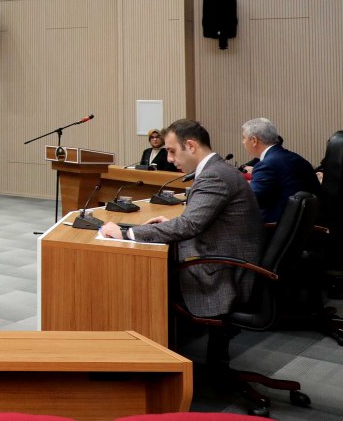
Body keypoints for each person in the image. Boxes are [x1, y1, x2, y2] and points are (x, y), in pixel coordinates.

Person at [99, 119, 262, 356]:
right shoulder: (218, 170)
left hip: (224, 271)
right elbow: (198, 221)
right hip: (228, 256)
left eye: (173, 152)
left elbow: (189, 225)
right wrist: (172, 224)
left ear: (191, 146)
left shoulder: (214, 175)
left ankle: (153, 358)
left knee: (145, 280)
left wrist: (127, 232)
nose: (171, 159)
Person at [240, 118, 319, 223]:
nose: (243, 142)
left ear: (254, 140)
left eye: (244, 138)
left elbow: (249, 201)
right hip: (305, 227)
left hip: (274, 227)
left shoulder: (266, 165)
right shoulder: (297, 159)